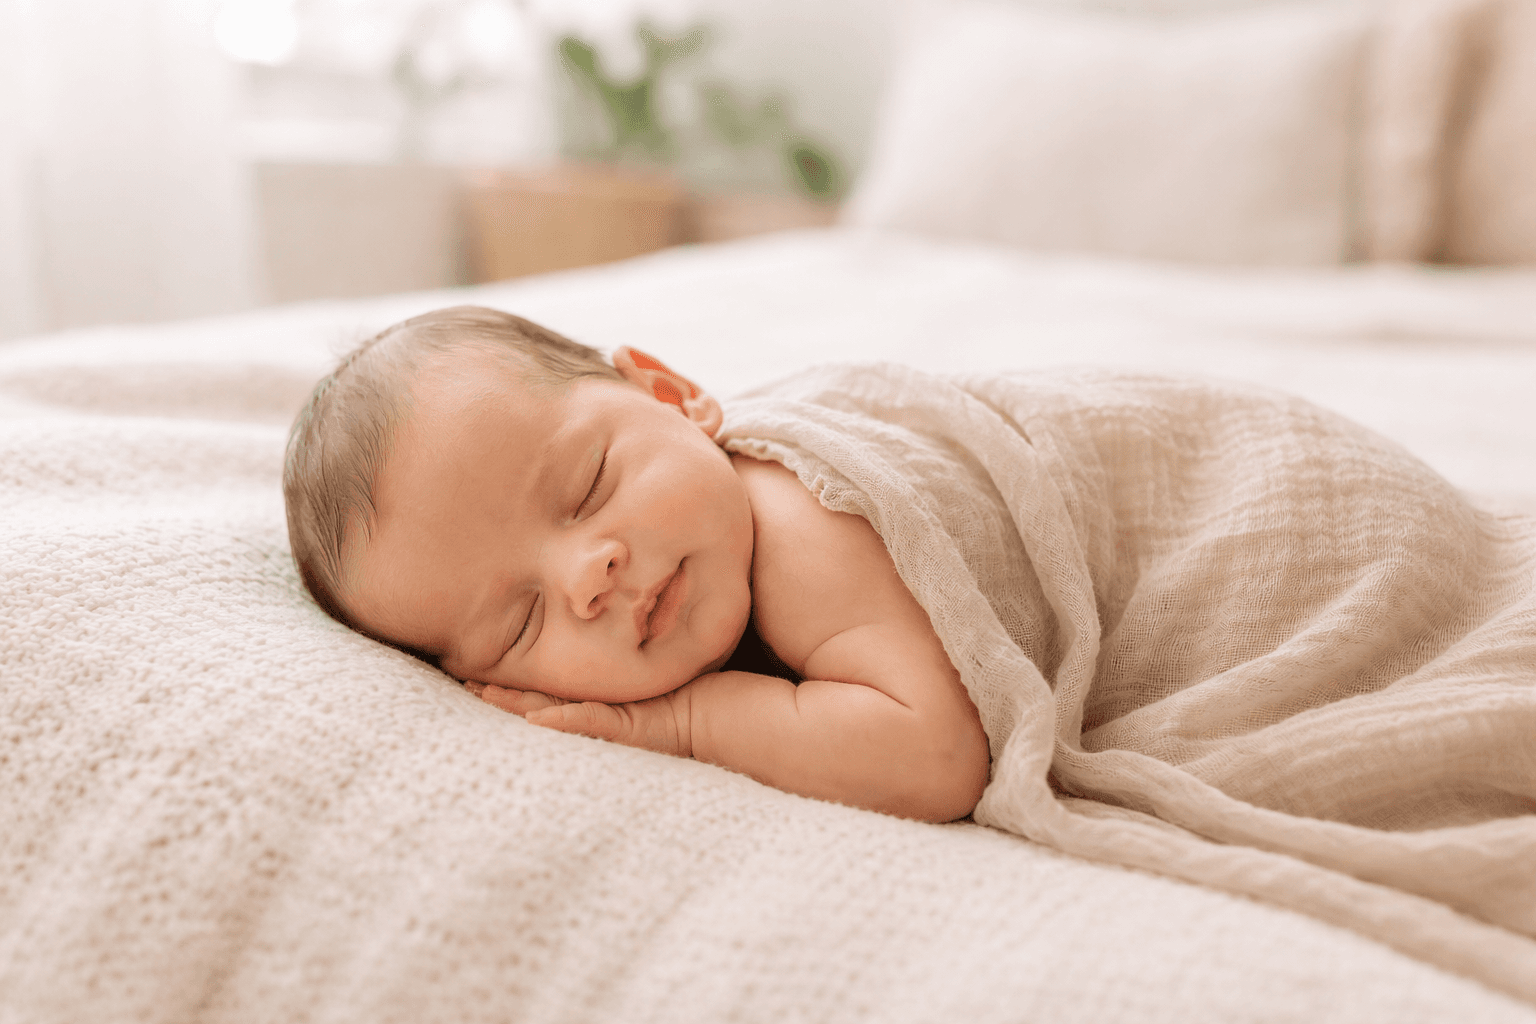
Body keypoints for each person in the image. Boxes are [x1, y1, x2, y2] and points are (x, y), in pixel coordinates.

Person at [284, 305, 991, 823]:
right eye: (520, 623)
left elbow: (939, 759)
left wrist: (684, 724)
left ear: (672, 396)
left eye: (589, 485)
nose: (588, 577)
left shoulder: (795, 523)